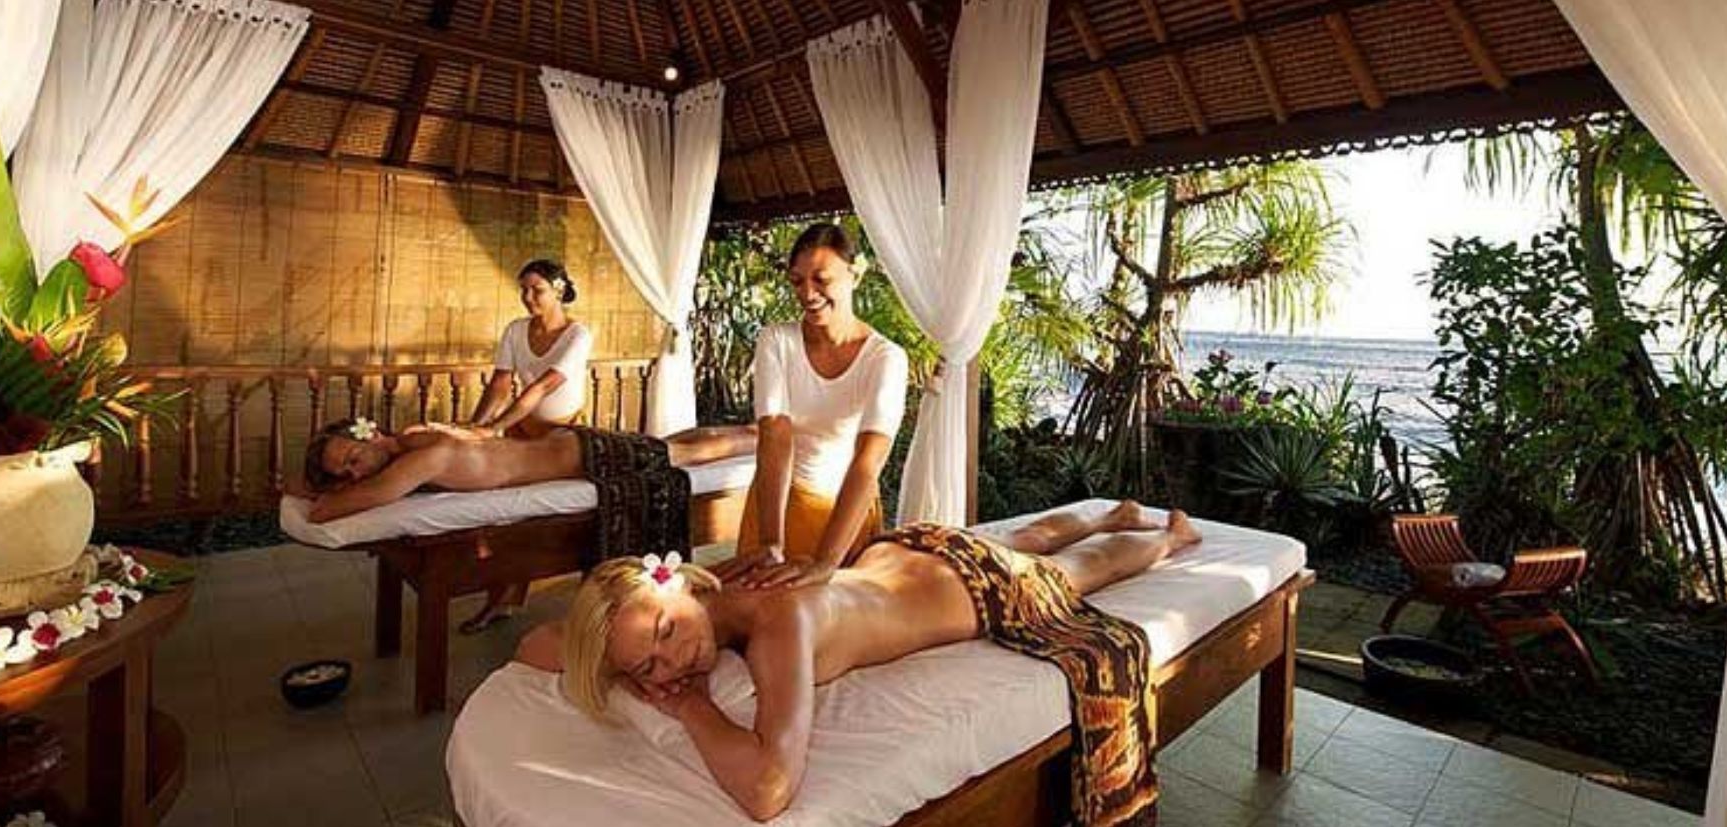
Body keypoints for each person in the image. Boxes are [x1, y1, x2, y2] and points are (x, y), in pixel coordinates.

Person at [513, 500, 1205, 825]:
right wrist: (620, 663)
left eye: (666, 631)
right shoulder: (721, 586)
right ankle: (1109, 511)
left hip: (972, 587)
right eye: (648, 667)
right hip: (904, 552)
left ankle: (1166, 537)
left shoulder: (777, 621)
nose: (672, 664)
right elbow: (535, 644)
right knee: (1026, 535)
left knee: (1080, 570)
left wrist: (690, 706)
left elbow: (768, 789)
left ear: (686, 587)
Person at [714, 224, 909, 592]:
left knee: (834, 617)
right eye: (797, 281)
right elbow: (775, 436)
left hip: (844, 516)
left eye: (821, 279)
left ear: (854, 275)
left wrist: (826, 561)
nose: (807, 293)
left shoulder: (885, 358)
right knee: (754, 610)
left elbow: (867, 462)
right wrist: (771, 543)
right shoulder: (776, 341)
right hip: (776, 509)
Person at [292, 418, 755, 525]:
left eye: (352, 458)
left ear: (370, 434)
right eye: (344, 473)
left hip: (586, 456)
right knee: (671, 443)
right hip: (567, 446)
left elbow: (335, 509)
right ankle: (746, 429)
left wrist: (314, 497)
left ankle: (759, 438)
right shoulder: (414, 436)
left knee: (684, 453)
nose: (354, 474)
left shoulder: (420, 458)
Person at [468, 259, 594, 439]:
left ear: (559, 291)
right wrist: (475, 427)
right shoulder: (515, 329)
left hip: (566, 432)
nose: (527, 297)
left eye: (537, 290)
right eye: (524, 290)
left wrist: (494, 428)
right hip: (524, 426)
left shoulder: (578, 335)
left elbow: (543, 387)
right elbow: (500, 383)